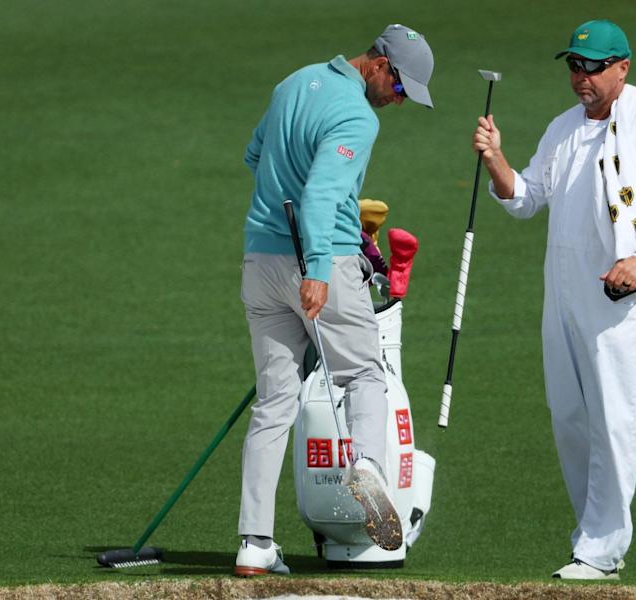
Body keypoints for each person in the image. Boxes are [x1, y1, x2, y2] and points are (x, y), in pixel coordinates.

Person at [472, 19, 636, 580]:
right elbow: (526, 198)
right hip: (563, 298)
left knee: (614, 422)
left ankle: (602, 548)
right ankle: (591, 540)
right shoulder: (564, 127)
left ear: (623, 67)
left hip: (620, 304)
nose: (581, 77)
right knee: (569, 419)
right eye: (575, 65)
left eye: (593, 67)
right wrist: (496, 159)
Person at [236, 24, 434, 576]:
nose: (397, 101)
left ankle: (254, 543)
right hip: (321, 264)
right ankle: (368, 467)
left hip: (260, 262)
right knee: (363, 374)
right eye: (400, 88)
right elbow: (322, 193)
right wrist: (319, 270)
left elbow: (255, 156)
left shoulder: (292, 83)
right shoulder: (357, 116)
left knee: (274, 403)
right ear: (379, 65)